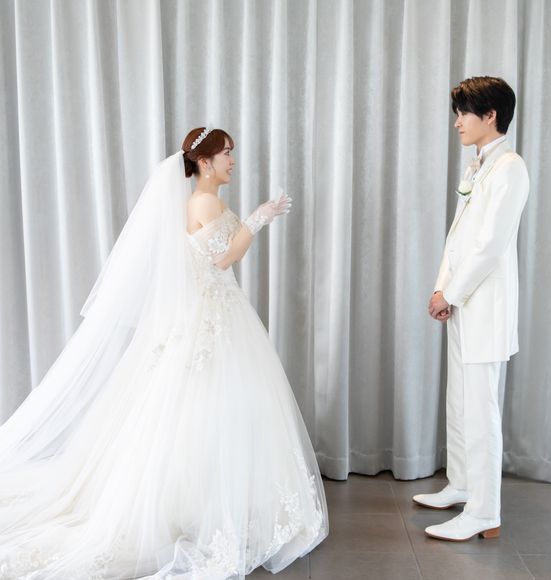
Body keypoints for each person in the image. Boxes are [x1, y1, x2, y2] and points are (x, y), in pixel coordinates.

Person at [0, 127, 328, 578]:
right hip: (212, 318)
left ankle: (218, 499)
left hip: (218, 312)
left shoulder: (204, 201)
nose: (232, 160)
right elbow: (223, 258)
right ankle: (202, 506)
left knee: (215, 409)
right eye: (226, 154)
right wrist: (259, 217)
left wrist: (254, 220)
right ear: (205, 162)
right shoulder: (203, 202)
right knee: (209, 408)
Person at [413, 77, 529, 541]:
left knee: (481, 411)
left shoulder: (510, 168)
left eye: (464, 113)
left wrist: (451, 294)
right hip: (463, 302)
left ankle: (484, 512)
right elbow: (458, 237)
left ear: (491, 115)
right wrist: (441, 288)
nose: (457, 122)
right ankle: (461, 485)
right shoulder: (479, 165)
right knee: (460, 402)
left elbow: (489, 246)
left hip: (485, 305)